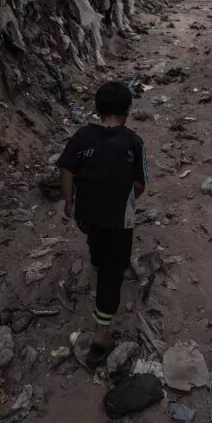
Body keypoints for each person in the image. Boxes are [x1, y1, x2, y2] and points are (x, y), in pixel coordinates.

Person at [58, 81, 147, 367]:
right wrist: (126, 197)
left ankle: (96, 258)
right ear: (128, 111)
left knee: (96, 242)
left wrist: (69, 201)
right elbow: (139, 183)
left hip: (86, 216)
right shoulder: (134, 142)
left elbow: (67, 168)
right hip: (118, 221)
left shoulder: (82, 136)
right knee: (112, 273)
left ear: (97, 110)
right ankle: (100, 336)